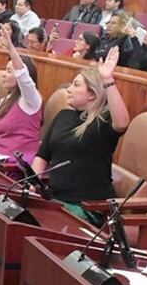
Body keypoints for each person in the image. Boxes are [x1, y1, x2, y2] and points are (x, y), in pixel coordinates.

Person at [31, 46, 130, 222]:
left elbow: (122, 123)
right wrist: (33, 182)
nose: (68, 89)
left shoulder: (103, 122)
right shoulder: (63, 115)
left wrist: (107, 80)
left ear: (92, 94)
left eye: (76, 85)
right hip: (53, 198)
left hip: (86, 207)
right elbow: (42, 155)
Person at [0, 27, 43, 161]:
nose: (4, 75)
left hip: (16, 163)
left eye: (10, 71)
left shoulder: (32, 100)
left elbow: (24, 78)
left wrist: (11, 49)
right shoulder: (5, 100)